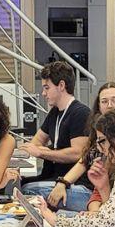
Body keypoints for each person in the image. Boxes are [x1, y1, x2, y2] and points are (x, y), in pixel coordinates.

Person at [19, 61, 92, 211]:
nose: (43, 93)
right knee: (20, 184)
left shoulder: (80, 113)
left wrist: (42, 152)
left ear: (61, 86)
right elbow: (37, 140)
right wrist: (39, 149)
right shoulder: (55, 112)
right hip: (56, 178)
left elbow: (77, 153)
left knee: (27, 191)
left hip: (76, 183)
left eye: (47, 88)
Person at [47, 82, 115, 210]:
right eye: (104, 101)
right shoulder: (97, 129)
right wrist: (62, 183)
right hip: (95, 194)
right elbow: (84, 161)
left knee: (37, 194)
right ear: (98, 106)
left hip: (108, 198)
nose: (110, 106)